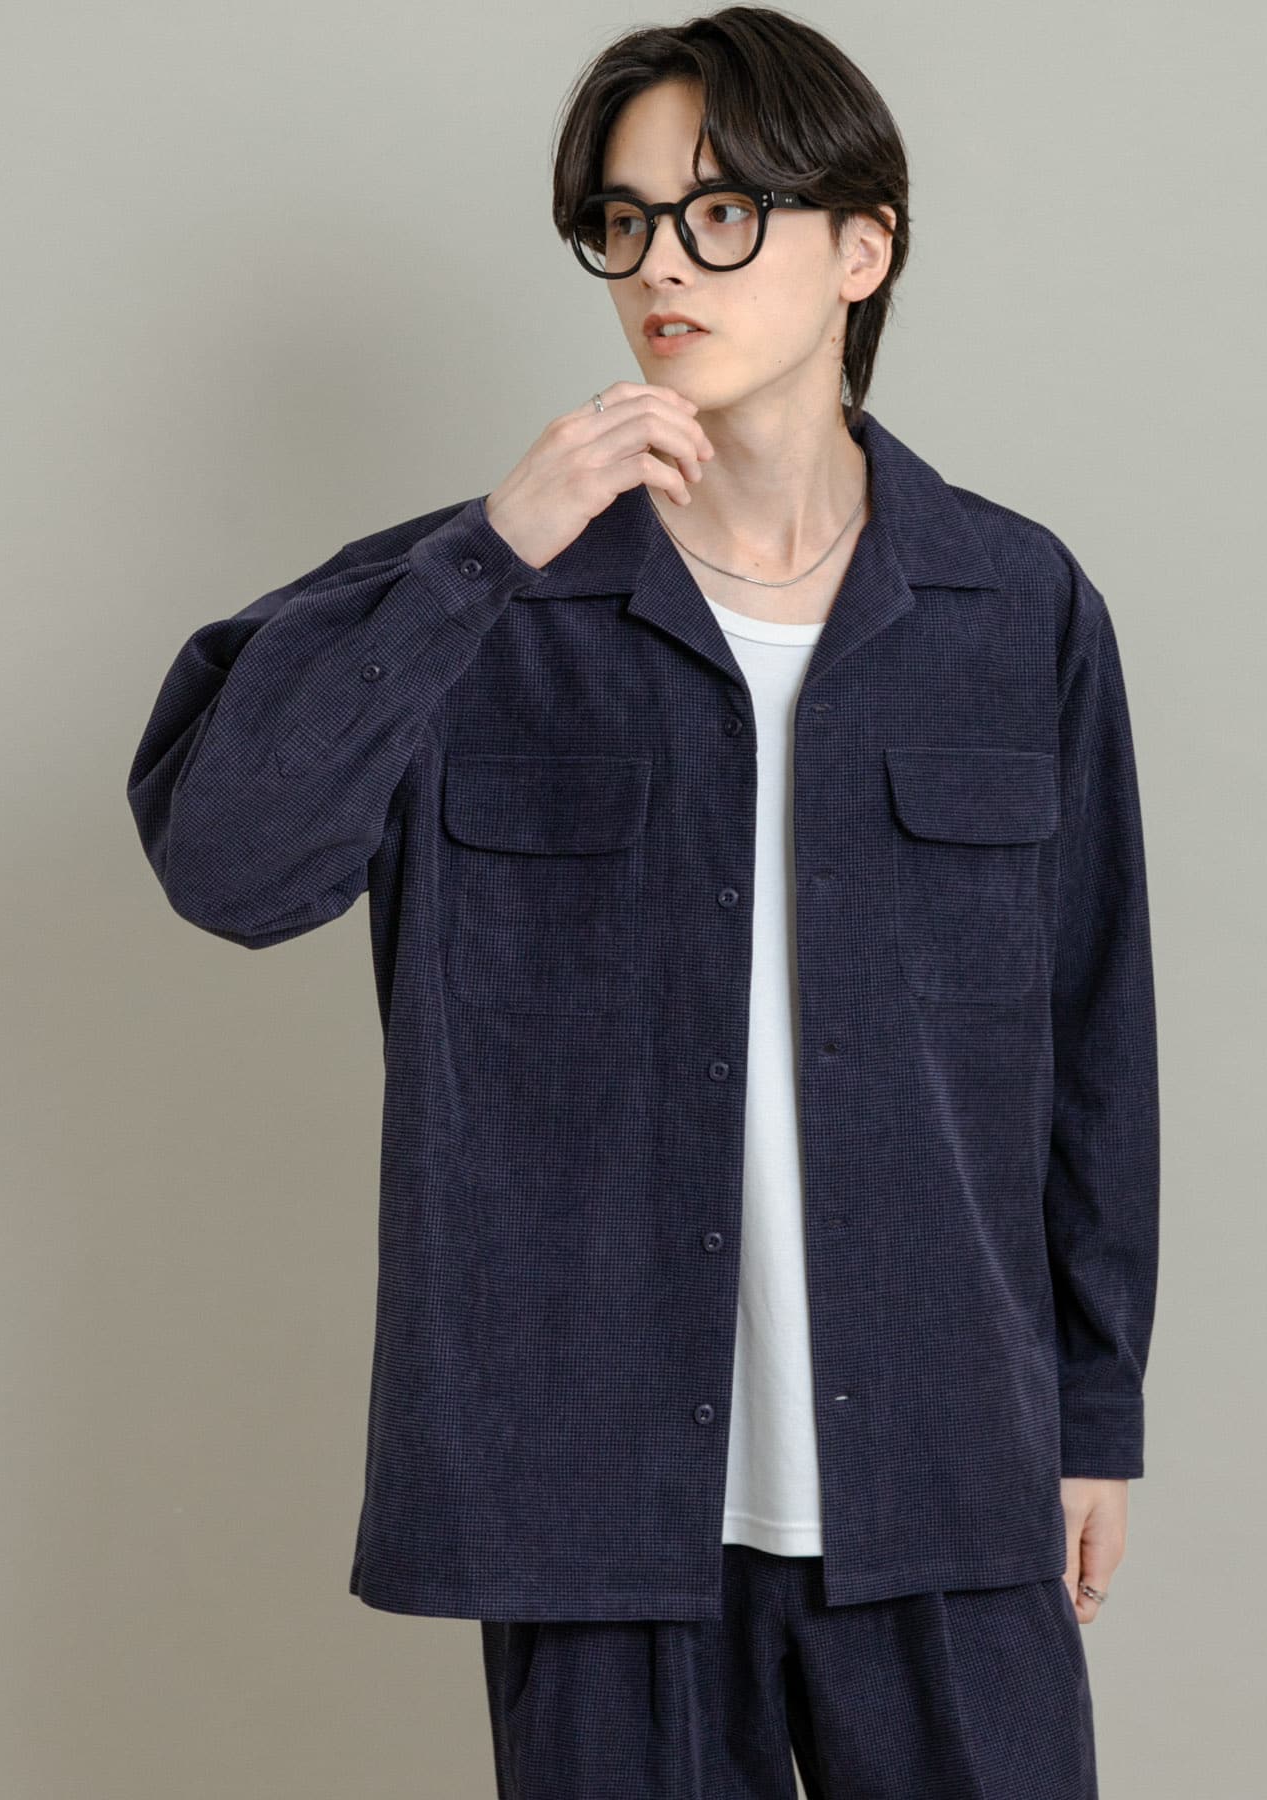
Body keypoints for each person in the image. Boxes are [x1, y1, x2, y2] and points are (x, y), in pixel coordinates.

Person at [126, 7, 1159, 1795]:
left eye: (720, 212)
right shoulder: (490, 592)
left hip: (945, 1472)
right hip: (595, 1503)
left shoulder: (1017, 608)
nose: (661, 263)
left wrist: (1093, 1414)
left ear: (864, 248)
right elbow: (228, 864)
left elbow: (1093, 1040)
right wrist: (485, 555)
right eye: (625, 221)